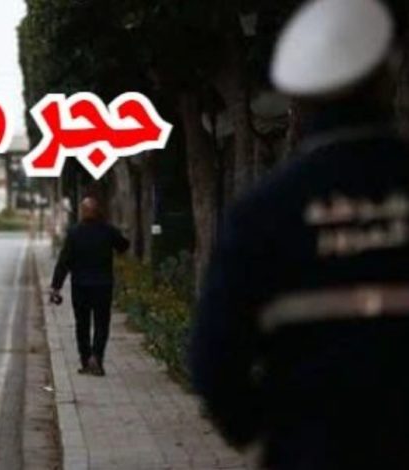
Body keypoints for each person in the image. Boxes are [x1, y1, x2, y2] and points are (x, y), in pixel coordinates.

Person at [190, 0, 409, 468]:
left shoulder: (264, 212)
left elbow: (214, 360)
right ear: (388, 76)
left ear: (300, 99)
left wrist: (266, 438)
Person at [51, 196, 129, 376]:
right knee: (102, 323)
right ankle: (97, 357)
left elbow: (64, 261)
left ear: (83, 212)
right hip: (103, 286)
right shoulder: (107, 230)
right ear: (98, 212)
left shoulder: (74, 233)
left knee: (82, 324)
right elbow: (123, 246)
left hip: (80, 286)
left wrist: (56, 286)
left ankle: (86, 360)